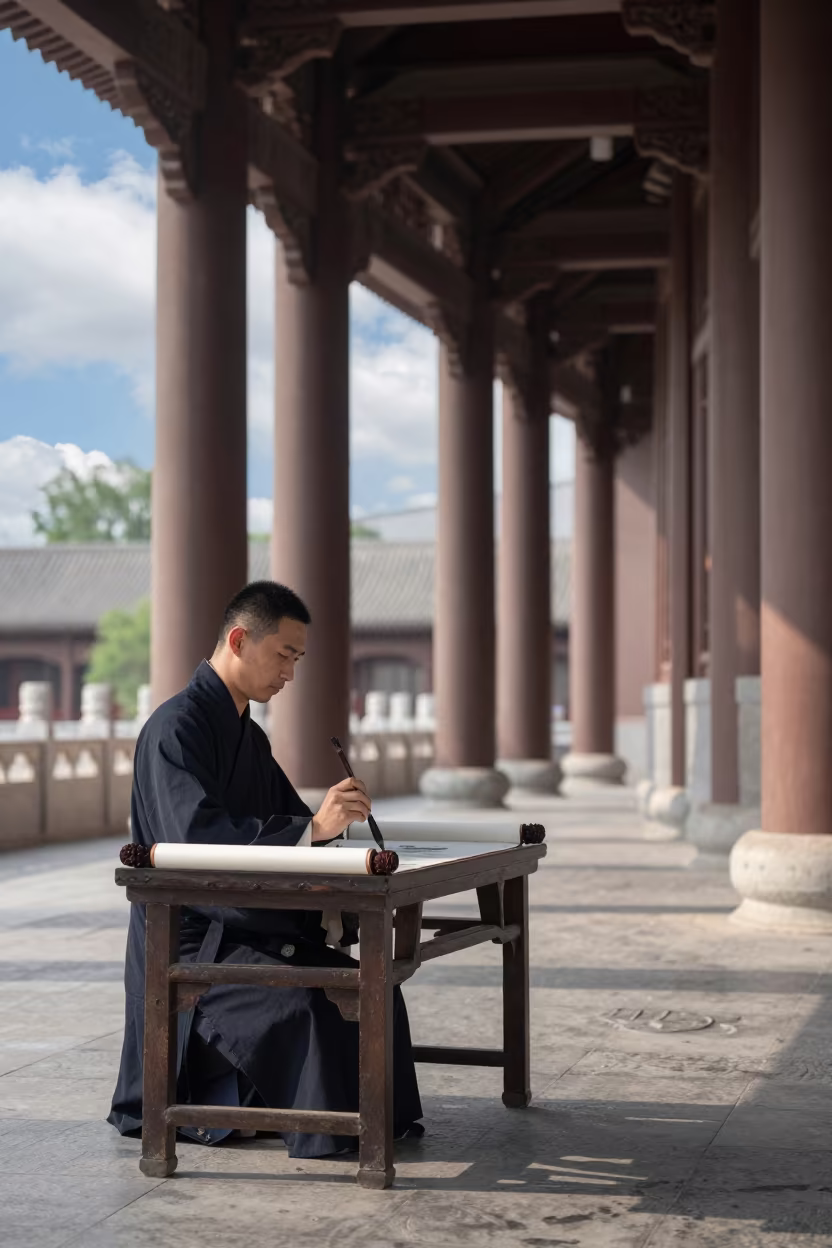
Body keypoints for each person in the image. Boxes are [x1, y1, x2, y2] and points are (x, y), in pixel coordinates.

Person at [108, 580, 422, 1157]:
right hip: (192, 946)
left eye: (298, 659)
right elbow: (197, 846)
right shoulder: (174, 730)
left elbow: (292, 825)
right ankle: (268, 1111)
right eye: (284, 655)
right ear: (238, 639)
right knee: (311, 1003)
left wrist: (329, 837)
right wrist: (316, 829)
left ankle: (367, 1117)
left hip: (244, 926)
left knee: (371, 989)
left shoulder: (247, 736)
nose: (290, 674)